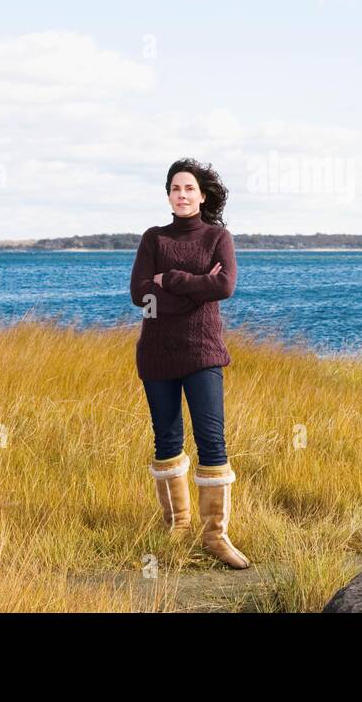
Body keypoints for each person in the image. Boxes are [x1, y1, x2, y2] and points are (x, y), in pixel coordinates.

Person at [128, 158, 249, 569]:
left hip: (203, 353)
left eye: (189, 189)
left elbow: (225, 285)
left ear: (201, 195)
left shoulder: (218, 237)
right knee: (166, 441)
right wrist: (199, 289)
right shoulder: (153, 239)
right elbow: (140, 295)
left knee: (212, 442)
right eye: (176, 188)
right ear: (168, 195)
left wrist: (172, 280)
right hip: (157, 353)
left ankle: (215, 537)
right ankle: (178, 529)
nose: (182, 195)